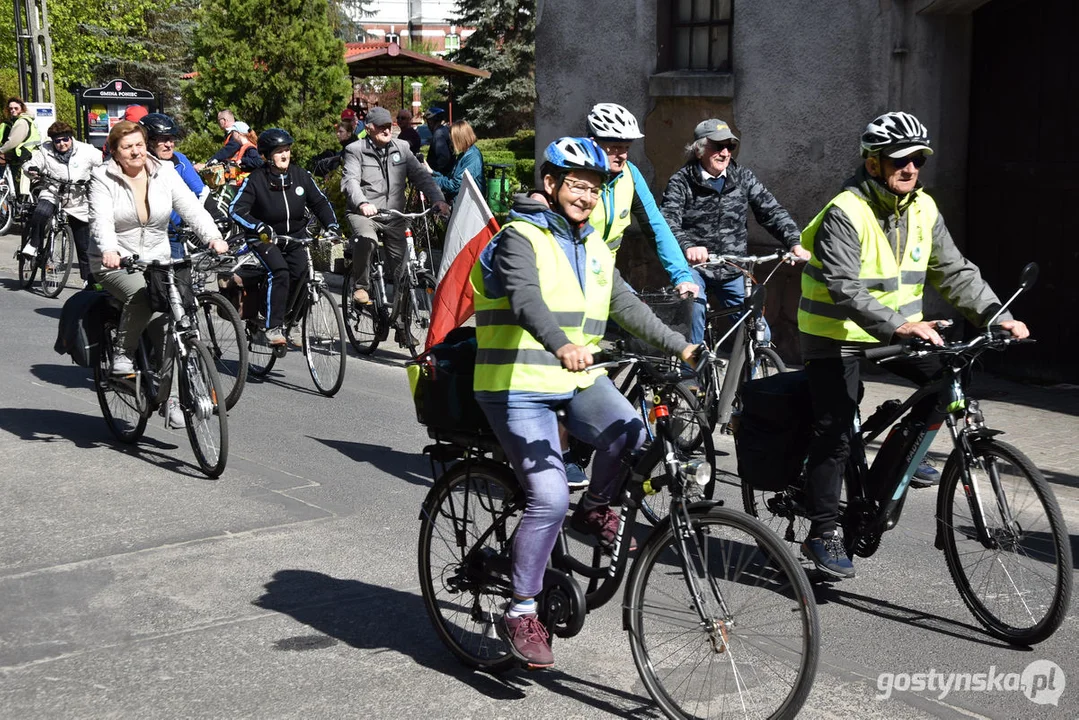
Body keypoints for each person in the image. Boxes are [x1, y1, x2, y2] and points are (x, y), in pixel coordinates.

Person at [471, 137, 697, 669]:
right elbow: (525, 299)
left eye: (596, 189)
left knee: (634, 437)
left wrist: (680, 345)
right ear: (549, 183)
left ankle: (595, 508)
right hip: (517, 382)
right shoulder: (518, 238)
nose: (588, 197)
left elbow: (625, 305)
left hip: (575, 379)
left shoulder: (594, 245)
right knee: (548, 496)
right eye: (577, 185)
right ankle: (521, 608)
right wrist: (561, 344)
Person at [797, 111, 1029, 580]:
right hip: (836, 336)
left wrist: (997, 315)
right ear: (873, 163)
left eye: (918, 160)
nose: (911, 168)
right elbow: (846, 288)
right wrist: (901, 327)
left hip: (897, 331)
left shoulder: (923, 207)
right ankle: (823, 531)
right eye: (899, 160)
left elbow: (955, 271)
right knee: (836, 431)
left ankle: (899, 458)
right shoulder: (847, 210)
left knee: (947, 380)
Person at [89, 120, 228, 427]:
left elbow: (191, 208)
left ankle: (170, 398)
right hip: (116, 261)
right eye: (127, 147)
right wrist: (110, 250)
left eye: (139, 144)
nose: (135, 151)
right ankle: (122, 357)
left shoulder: (164, 172)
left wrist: (213, 237)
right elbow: (100, 221)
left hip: (159, 260)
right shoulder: (102, 177)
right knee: (142, 295)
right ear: (114, 151)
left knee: (172, 324)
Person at [660, 119, 810, 346]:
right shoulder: (682, 181)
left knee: (760, 335)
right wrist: (688, 246)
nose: (725, 153)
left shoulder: (743, 177)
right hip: (696, 268)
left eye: (730, 146)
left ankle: (751, 380)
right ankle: (691, 379)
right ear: (699, 149)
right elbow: (667, 221)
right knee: (694, 319)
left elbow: (771, 211)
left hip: (732, 268)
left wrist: (794, 242)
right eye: (717, 146)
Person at [229, 128, 341, 346]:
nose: (285, 155)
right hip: (264, 238)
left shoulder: (301, 176)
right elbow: (236, 209)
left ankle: (292, 319)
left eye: (287, 150)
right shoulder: (256, 179)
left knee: (303, 275)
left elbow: (319, 202)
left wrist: (332, 226)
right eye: (279, 151)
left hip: (295, 238)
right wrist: (259, 226)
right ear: (268, 155)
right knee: (279, 271)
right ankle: (273, 326)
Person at [340, 106, 449, 314]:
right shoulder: (355, 150)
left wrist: (438, 200)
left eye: (389, 126)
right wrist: (362, 203)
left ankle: (401, 325)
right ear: (370, 128)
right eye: (382, 127)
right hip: (365, 213)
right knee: (367, 239)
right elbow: (350, 182)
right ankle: (361, 286)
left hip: (394, 216)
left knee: (403, 271)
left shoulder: (402, 148)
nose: (387, 130)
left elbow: (421, 176)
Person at [21, 121, 101, 284]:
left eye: (65, 139)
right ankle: (34, 244)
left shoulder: (86, 150)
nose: (62, 144)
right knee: (41, 212)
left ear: (71, 138)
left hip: (77, 199)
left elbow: (104, 163)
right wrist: (32, 170)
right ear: (53, 141)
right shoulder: (45, 150)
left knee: (83, 243)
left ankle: (88, 281)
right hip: (53, 191)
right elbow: (30, 164)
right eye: (57, 141)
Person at [140, 112, 226, 258]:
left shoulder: (179, 160)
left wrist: (217, 216)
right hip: (144, 237)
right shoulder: (137, 164)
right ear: (147, 141)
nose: (169, 145)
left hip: (174, 234)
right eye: (163, 140)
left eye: (171, 139)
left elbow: (200, 192)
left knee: (181, 278)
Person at [428, 119, 485, 202]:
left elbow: (455, 185)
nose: (451, 142)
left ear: (460, 138)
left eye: (452, 138)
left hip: (469, 205)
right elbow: (450, 179)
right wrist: (432, 172)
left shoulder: (473, 157)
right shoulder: (463, 155)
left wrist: (431, 180)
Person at [0, 97, 41, 197]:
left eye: (16, 108)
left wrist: (1, 150)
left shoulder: (21, 122)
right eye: (10, 109)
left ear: (22, 108)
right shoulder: (26, 120)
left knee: (17, 183)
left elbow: (13, 141)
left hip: (24, 154)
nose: (13, 110)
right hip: (28, 153)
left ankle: (13, 202)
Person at [198, 111, 263, 171]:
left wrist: (243, 161)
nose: (217, 123)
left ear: (239, 134)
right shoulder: (235, 137)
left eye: (218, 120)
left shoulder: (249, 147)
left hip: (243, 178)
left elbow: (259, 162)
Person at [423, 107, 454, 176]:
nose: (428, 124)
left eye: (428, 121)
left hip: (440, 178)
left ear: (431, 121)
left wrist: (435, 174)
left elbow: (443, 158)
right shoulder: (445, 130)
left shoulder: (438, 134)